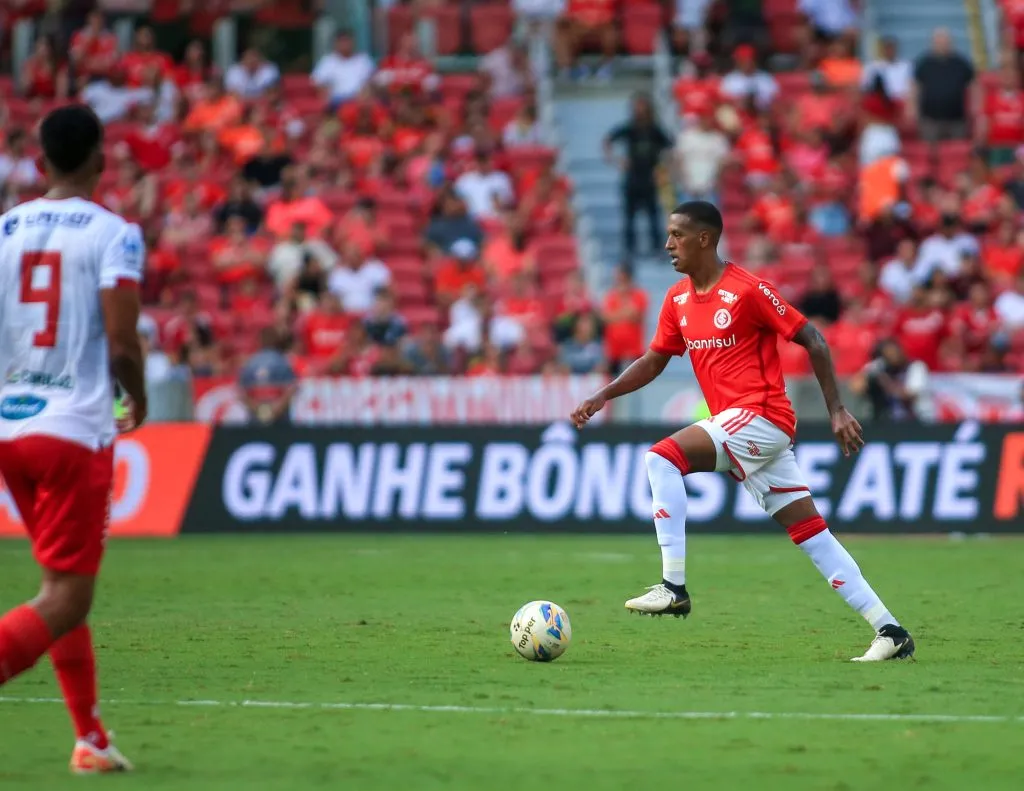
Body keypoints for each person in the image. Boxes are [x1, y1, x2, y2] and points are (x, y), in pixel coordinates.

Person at [570, 201, 915, 662]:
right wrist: (603, 395)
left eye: (677, 235)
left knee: (661, 458)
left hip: (763, 416)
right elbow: (654, 360)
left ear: (705, 239)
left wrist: (836, 409)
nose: (668, 244)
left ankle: (673, 587)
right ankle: (890, 631)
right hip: (744, 427)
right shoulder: (677, 299)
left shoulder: (749, 290)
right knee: (813, 535)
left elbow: (812, 338)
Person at [0, 105, 143, 771]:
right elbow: (122, 339)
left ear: (40, 161)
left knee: (59, 586)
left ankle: (91, 738)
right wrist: (135, 395)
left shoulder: (5, 229)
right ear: (100, 159)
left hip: (10, 428)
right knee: (67, 596)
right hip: (73, 430)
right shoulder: (114, 233)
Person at [604, 93, 672, 256]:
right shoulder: (629, 128)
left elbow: (670, 148)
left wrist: (662, 169)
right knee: (629, 216)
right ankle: (629, 249)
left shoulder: (655, 130)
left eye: (642, 107)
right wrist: (617, 160)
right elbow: (608, 140)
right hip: (632, 177)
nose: (639, 110)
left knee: (653, 215)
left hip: (650, 178)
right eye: (637, 107)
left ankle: (657, 248)